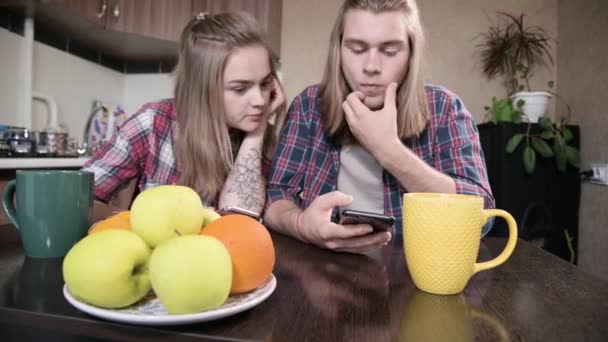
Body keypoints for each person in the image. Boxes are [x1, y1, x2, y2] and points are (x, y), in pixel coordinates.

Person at [263, 0, 494, 254]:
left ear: (411, 53)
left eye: (389, 51)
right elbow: (276, 198)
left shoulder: (445, 109)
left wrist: (388, 150)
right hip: (324, 272)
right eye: (357, 48)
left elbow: (482, 216)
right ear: (338, 50)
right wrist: (301, 225)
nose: (371, 67)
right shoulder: (308, 107)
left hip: (415, 276)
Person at [82, 12, 287, 214]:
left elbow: (240, 221)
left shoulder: (266, 141)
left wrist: (257, 133)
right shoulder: (153, 124)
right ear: (201, 89)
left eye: (266, 83)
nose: (260, 101)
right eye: (240, 89)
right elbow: (78, 198)